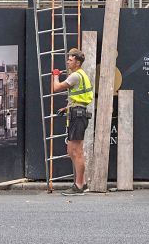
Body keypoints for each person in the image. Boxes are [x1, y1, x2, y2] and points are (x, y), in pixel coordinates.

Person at [51, 48, 93, 195]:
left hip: (78, 115)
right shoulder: (80, 75)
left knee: (77, 152)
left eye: (71, 59)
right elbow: (79, 98)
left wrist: (55, 76)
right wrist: (67, 107)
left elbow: (56, 88)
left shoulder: (76, 76)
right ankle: (83, 183)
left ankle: (79, 185)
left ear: (78, 62)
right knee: (72, 150)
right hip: (76, 112)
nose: (68, 61)